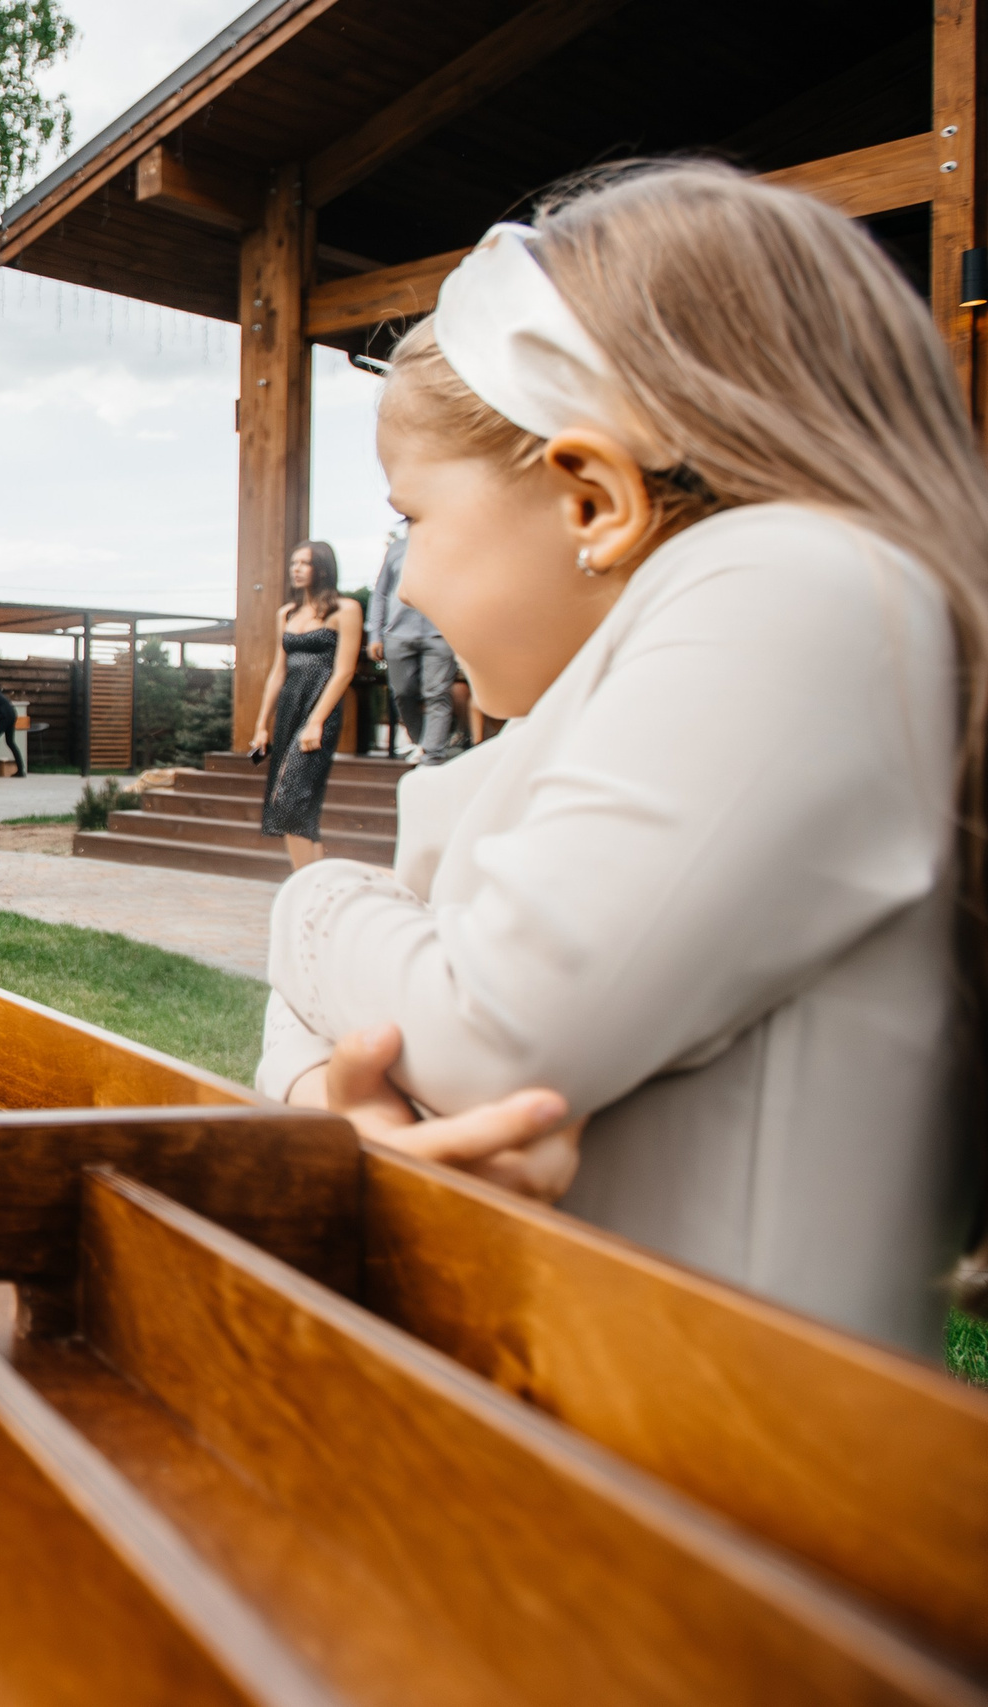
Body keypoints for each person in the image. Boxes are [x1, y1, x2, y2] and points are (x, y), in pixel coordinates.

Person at [256, 163, 988, 1357]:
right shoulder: (616, 703)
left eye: (409, 520)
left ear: (592, 498)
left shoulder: (801, 589)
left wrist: (308, 904)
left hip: (719, 1454)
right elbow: (372, 1012)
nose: (408, 585)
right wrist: (326, 1098)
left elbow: (490, 1027)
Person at [248, 540, 362, 869]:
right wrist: (261, 725)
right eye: (293, 563)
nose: (295, 569)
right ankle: (317, 883)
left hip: (319, 711)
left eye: (304, 563)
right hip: (288, 710)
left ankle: (303, 882)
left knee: (291, 800)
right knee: (296, 805)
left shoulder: (345, 610)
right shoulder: (286, 613)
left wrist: (316, 722)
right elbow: (277, 672)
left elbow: (344, 672)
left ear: (322, 569)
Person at [368, 522, 456, 763]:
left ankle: (432, 753)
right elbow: (380, 593)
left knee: (437, 694)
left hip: (440, 633)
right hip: (397, 633)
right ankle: (421, 743)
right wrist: (375, 634)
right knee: (402, 692)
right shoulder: (397, 548)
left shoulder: (448, 545)